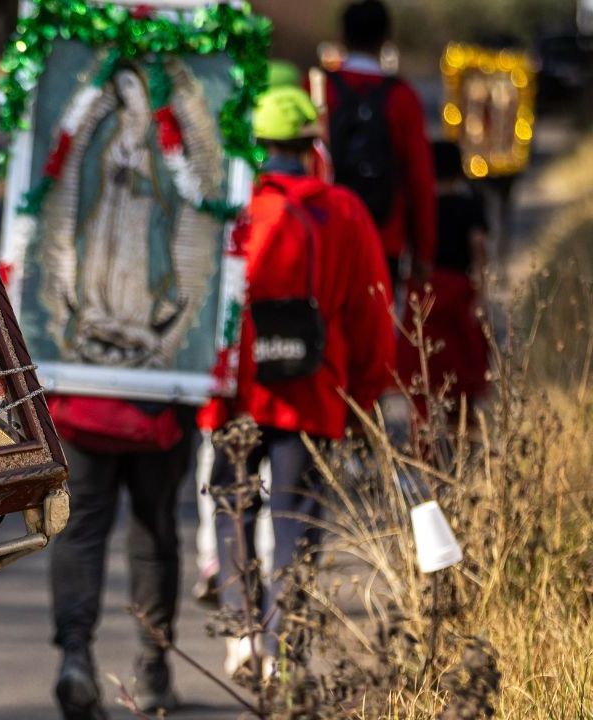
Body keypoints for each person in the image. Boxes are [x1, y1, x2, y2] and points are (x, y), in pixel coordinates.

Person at [198, 86, 393, 678]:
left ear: (253, 145)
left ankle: (242, 633)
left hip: (237, 392)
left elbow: (199, 305)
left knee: (233, 505)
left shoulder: (231, 210)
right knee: (296, 518)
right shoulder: (345, 212)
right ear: (312, 146)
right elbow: (373, 314)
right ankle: (284, 643)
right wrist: (360, 397)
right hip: (313, 391)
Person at [46, 393, 193, 719]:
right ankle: (153, 670)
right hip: (163, 401)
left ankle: (76, 657)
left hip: (84, 400)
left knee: (79, 531)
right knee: (154, 529)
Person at [319, 0, 436, 290]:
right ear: (386, 39)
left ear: (342, 37)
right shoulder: (402, 97)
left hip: (328, 232)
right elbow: (420, 179)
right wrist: (423, 251)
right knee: (380, 328)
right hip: (386, 237)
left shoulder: (320, 88)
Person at [395, 140, 490, 416]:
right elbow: (479, 248)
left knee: (424, 377)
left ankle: (424, 450)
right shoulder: (470, 205)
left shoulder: (419, 206)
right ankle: (465, 443)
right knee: (463, 380)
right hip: (459, 295)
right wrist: (481, 294)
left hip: (424, 296)